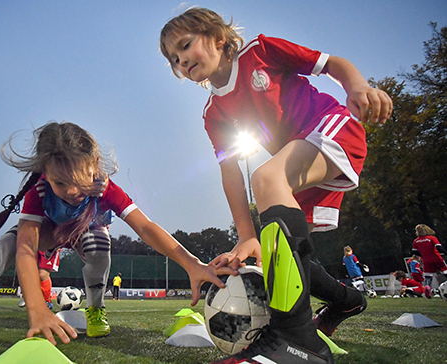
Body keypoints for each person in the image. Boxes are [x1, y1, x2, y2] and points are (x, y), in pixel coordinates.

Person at [160, 7, 392, 364]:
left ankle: (299, 343)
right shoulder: (214, 113)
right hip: (296, 158)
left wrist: (357, 86)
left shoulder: (260, 52)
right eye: (174, 59)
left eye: (185, 46)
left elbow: (332, 64)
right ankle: (346, 300)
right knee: (280, 258)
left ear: (218, 38)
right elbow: (230, 173)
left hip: (331, 127)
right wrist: (245, 234)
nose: (181, 61)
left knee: (267, 177)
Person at [0, 121, 233, 361]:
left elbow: (145, 228)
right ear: (45, 174)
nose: (72, 191)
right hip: (49, 232)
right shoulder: (39, 192)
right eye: (60, 183)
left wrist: (191, 263)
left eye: (79, 181)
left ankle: (96, 311)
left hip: (85, 232)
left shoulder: (105, 189)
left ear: (94, 167)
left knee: (100, 252)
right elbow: (26, 251)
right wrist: (38, 311)